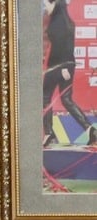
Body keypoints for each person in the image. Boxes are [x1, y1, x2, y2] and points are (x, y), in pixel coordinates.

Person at [43, 0, 97, 146]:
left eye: (48, 4)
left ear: (56, 4)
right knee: (66, 99)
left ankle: (49, 133)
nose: (46, 7)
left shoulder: (58, 23)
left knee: (45, 97)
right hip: (66, 65)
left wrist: (63, 68)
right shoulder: (66, 21)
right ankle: (90, 130)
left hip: (58, 66)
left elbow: (64, 46)